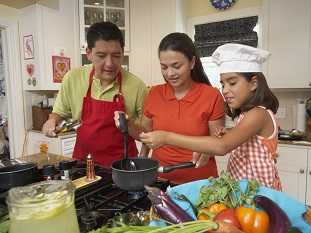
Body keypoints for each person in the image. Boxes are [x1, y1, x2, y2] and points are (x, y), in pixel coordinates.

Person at [140, 43, 282, 190]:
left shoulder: (258, 114)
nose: (225, 90)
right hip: (243, 191)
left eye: (232, 83)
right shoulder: (246, 115)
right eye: (223, 84)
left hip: (261, 194)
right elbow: (242, 143)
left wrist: (166, 137)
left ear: (253, 83)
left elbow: (222, 147)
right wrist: (228, 134)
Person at [115, 32, 225, 184]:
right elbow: (146, 136)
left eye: (176, 66)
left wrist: (206, 152)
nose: (170, 73)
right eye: (164, 67)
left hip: (200, 182)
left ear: (192, 62)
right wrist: (128, 125)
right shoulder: (154, 93)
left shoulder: (211, 95)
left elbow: (217, 142)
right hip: (160, 178)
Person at [42, 21, 148, 167]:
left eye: (116, 55)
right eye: (101, 55)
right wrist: (51, 121)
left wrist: (141, 162)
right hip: (83, 166)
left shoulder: (138, 87)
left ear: (123, 53)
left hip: (123, 169)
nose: (109, 63)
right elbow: (58, 114)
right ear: (89, 53)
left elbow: (148, 135)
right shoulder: (73, 79)